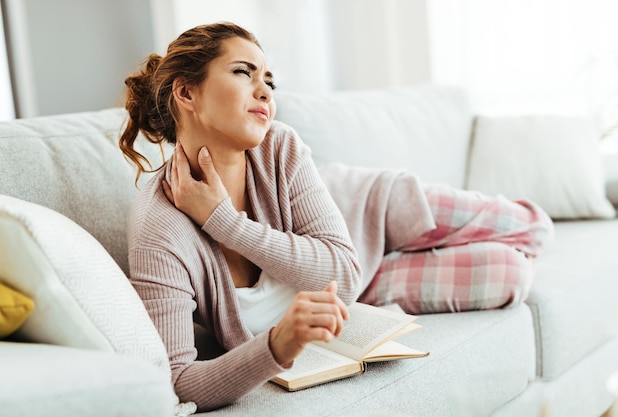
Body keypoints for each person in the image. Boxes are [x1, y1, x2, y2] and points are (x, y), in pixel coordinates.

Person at [119, 22, 553, 411]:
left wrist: (224, 222)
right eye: (243, 72)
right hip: (365, 289)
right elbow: (180, 381)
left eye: (268, 79)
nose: (265, 90)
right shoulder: (160, 227)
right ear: (186, 92)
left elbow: (340, 271)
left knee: (532, 227)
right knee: (510, 274)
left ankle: (438, 238)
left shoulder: (279, 145)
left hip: (371, 211)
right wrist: (275, 344)